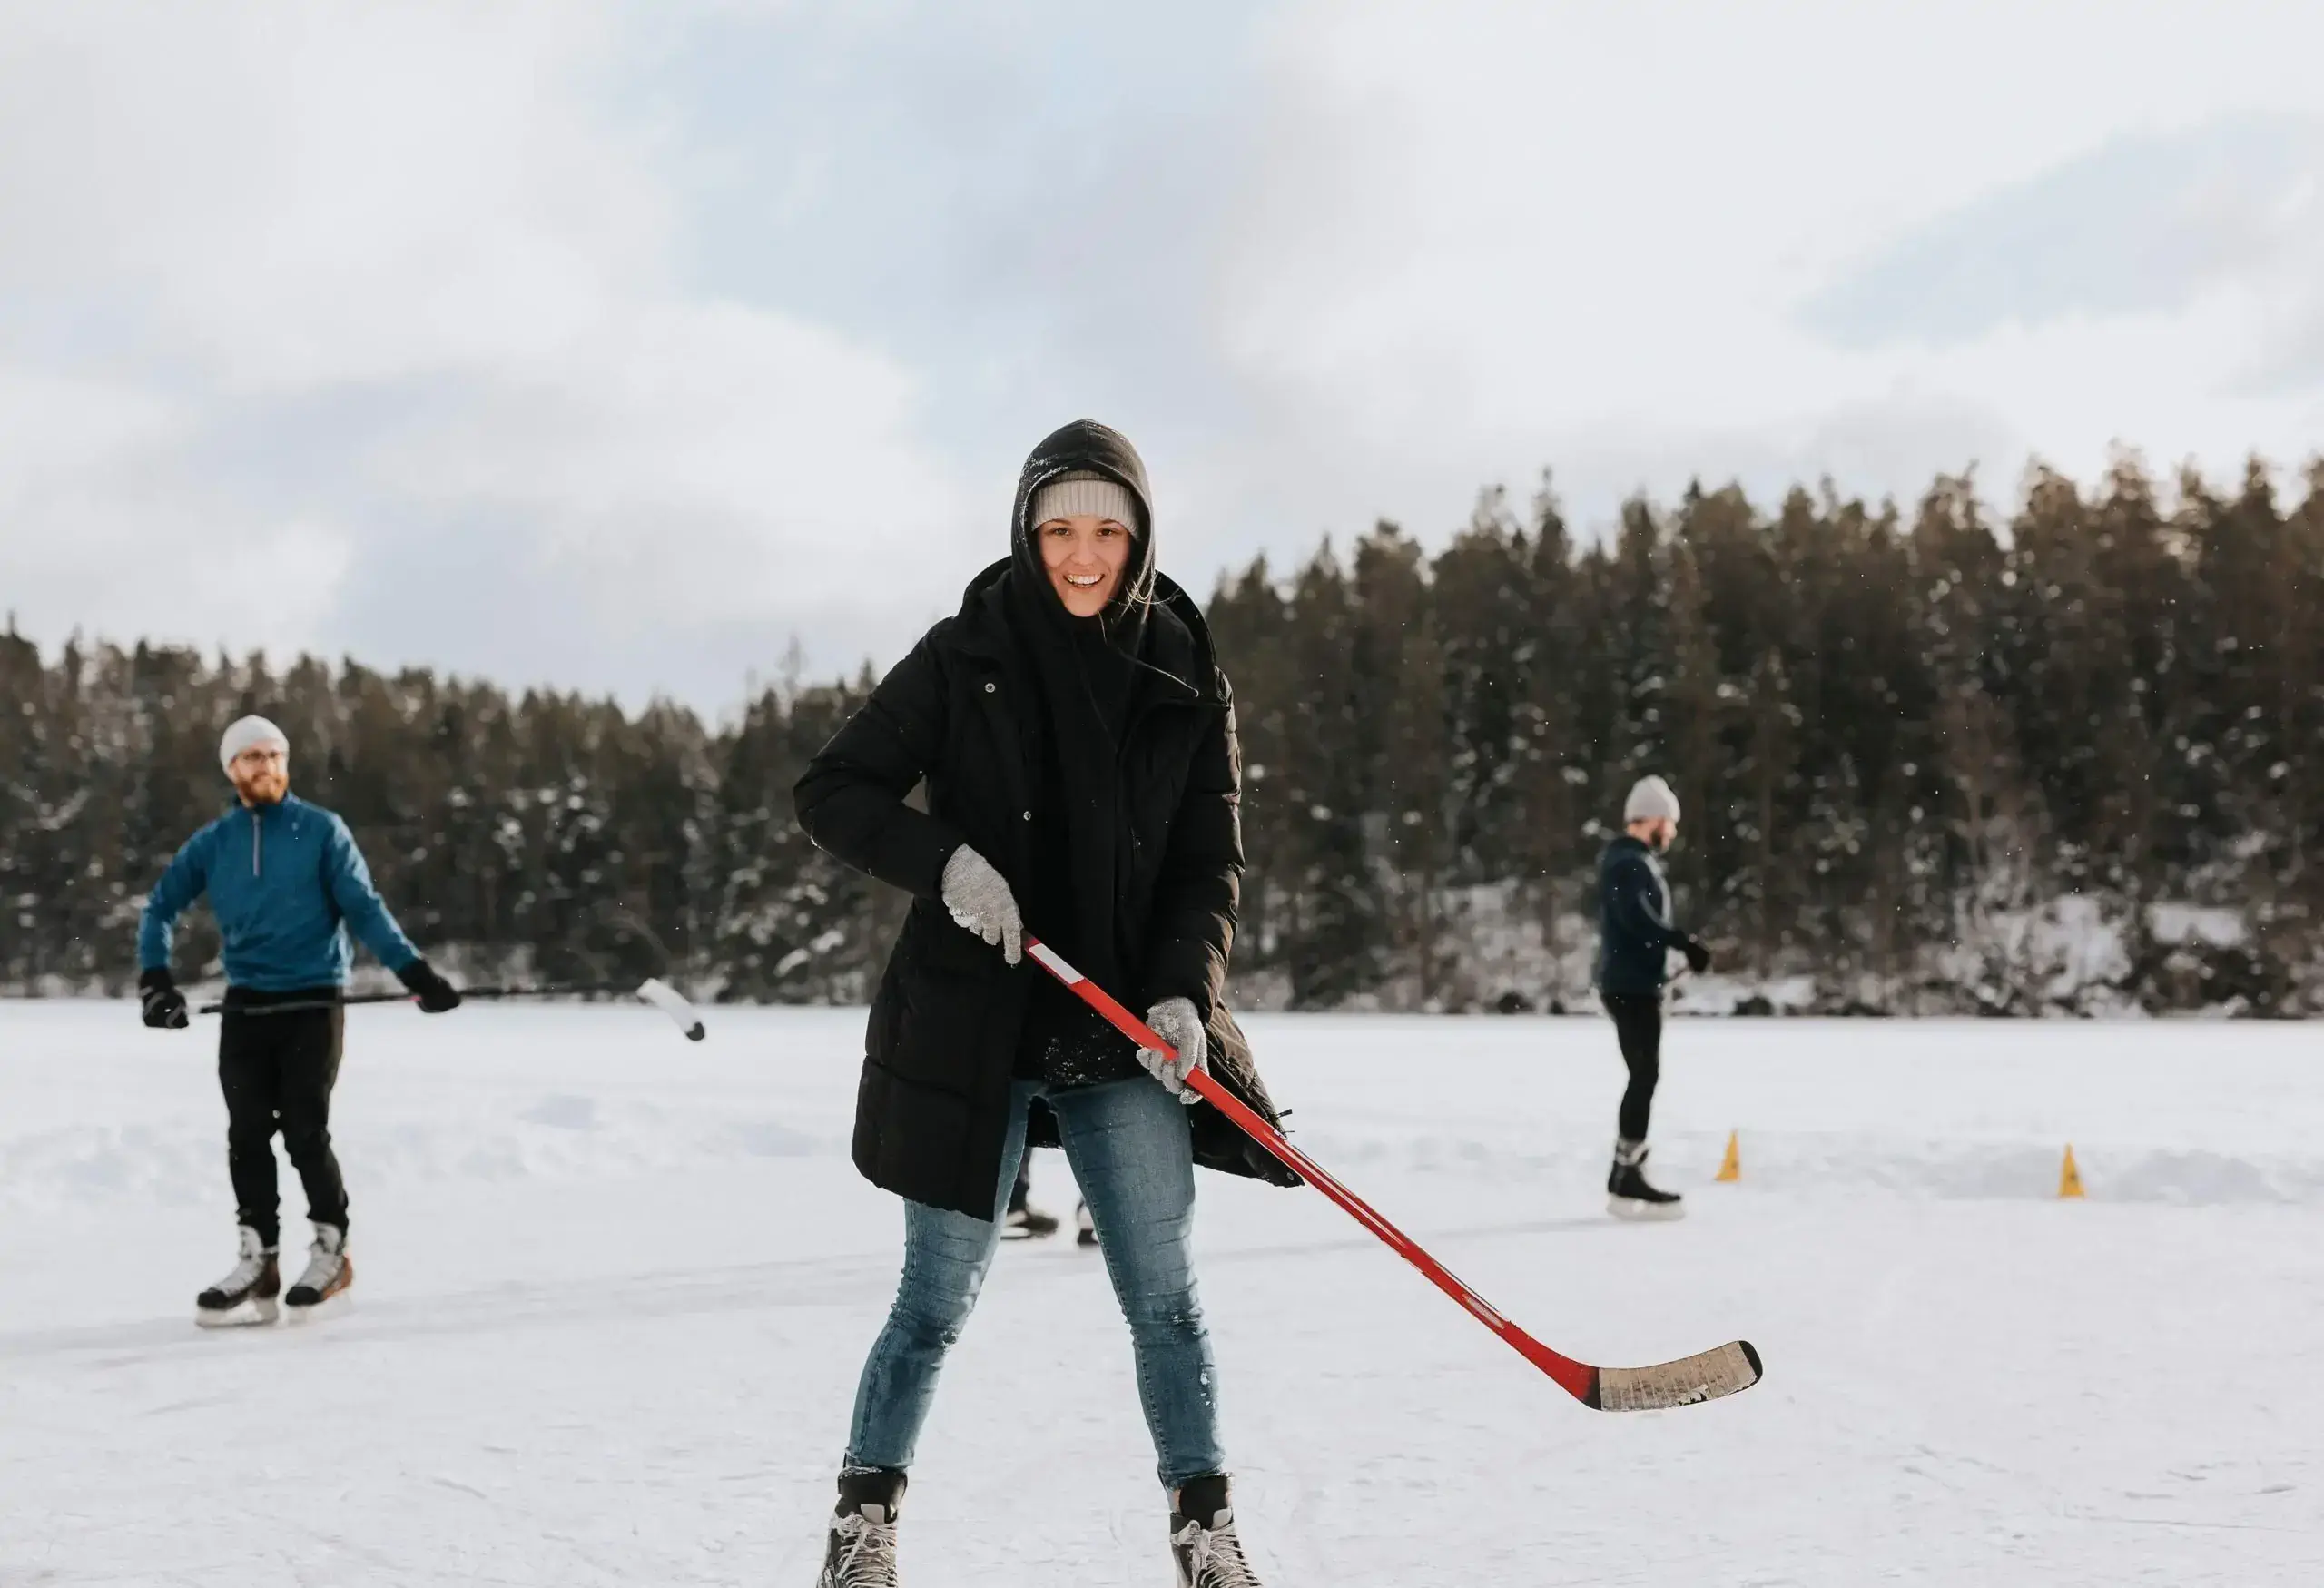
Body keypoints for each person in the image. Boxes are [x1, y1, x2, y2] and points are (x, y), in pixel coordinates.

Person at [794, 419, 1296, 1587]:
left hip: (1120, 1028)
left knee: (1166, 1301)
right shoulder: (961, 652)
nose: (1082, 555)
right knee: (934, 1300)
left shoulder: (1183, 671)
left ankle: (1203, 1527)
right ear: (1026, 532)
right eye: (1059, 528)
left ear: (1138, 536)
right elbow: (833, 789)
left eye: (1105, 531)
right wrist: (948, 864)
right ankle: (862, 1525)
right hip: (972, 1025)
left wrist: (1184, 995)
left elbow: (1204, 866)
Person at [138, 715, 463, 1325]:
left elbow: (364, 908)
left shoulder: (321, 831)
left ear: (286, 762)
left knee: (305, 1129)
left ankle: (331, 1249)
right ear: (231, 770)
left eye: (273, 755)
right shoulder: (214, 842)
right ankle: (258, 1258)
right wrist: (155, 982)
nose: (264, 766)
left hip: (314, 999)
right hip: (248, 1002)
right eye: (250, 758)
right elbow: (160, 907)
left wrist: (415, 973)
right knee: (247, 1132)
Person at [1594, 774, 1711, 1220]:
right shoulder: (1628, 862)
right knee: (1645, 1074)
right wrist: (1684, 942)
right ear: (1655, 820)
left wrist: (1678, 948)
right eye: (1671, 823)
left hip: (1635, 984)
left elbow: (1638, 923)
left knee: (1645, 1074)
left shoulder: (1631, 860)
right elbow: (1637, 919)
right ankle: (1626, 1175)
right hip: (1630, 988)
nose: (1674, 833)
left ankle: (1626, 1173)